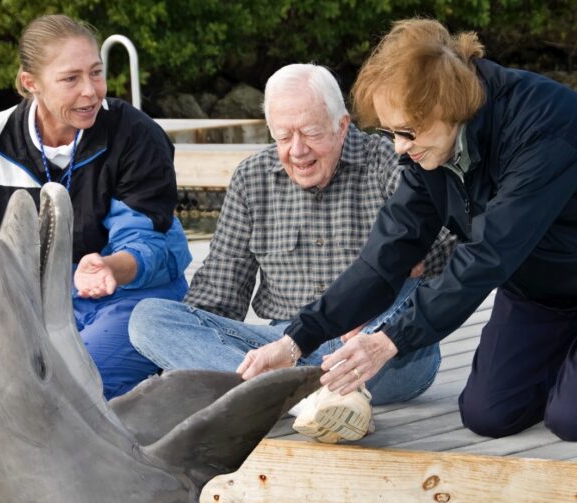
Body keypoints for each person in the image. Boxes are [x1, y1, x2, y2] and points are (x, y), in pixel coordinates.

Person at [238, 20, 577, 441]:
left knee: (568, 420)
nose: (399, 146)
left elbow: (488, 254)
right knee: (487, 414)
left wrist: (388, 340)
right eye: (389, 132)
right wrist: (295, 341)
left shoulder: (545, 122)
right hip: (538, 294)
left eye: (407, 132)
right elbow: (382, 260)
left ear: (449, 107)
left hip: (545, 267)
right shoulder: (427, 152)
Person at [129, 63, 455, 443]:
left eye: (311, 133)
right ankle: (308, 400)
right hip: (284, 347)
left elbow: (452, 247)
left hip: (380, 347)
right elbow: (217, 297)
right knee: (148, 318)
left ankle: (275, 395)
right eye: (283, 136)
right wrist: (185, 347)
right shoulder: (252, 178)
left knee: (411, 286)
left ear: (342, 125)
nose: (297, 150)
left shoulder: (388, 162)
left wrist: (407, 263)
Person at [0, 14, 191, 400]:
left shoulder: (136, 135)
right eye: (70, 78)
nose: (91, 91)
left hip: (130, 299)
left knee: (67, 390)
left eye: (96, 73)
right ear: (31, 83)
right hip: (31, 305)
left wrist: (109, 267)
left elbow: (148, 241)